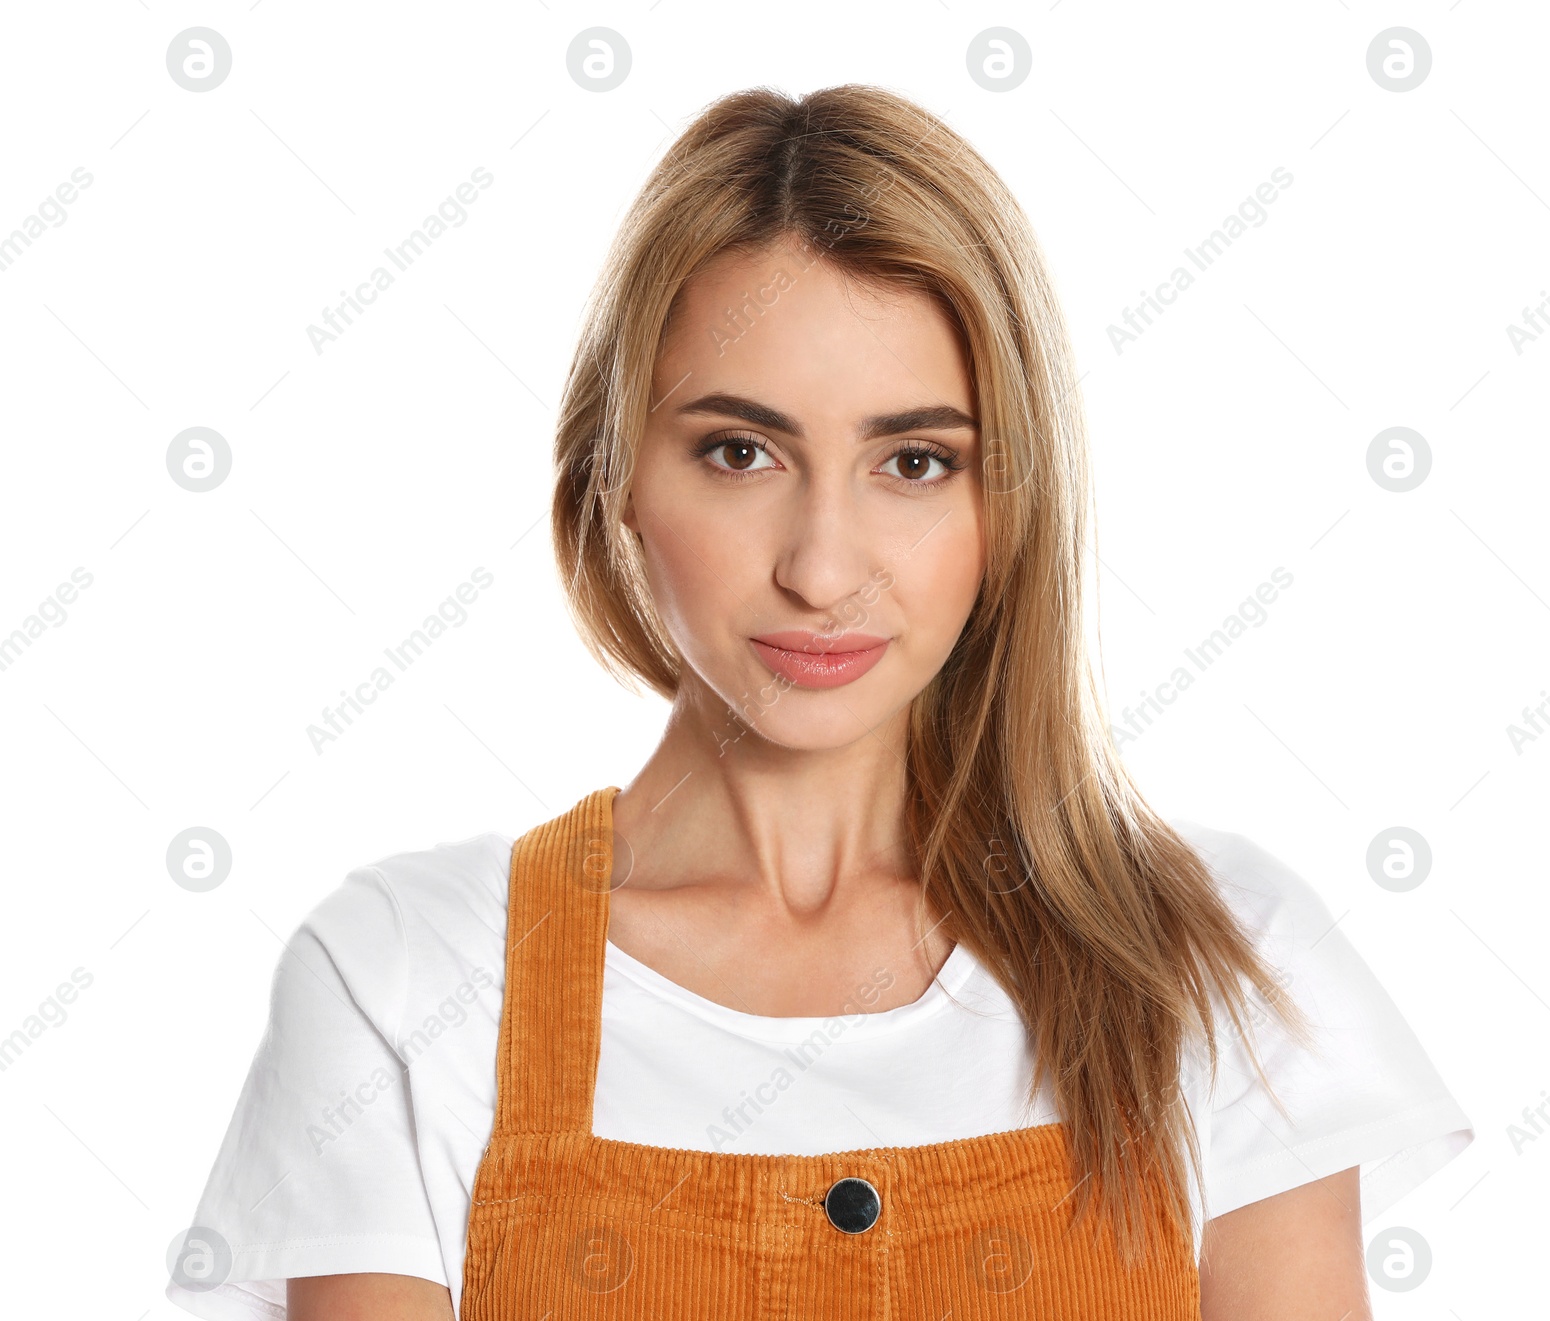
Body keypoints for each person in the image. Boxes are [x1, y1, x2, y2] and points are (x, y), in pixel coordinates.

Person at [166, 84, 1474, 1320]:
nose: (822, 566)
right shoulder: (407, 979)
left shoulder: (1214, 961)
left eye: (913, 461)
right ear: (614, 476)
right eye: (741, 452)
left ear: (1006, 506)